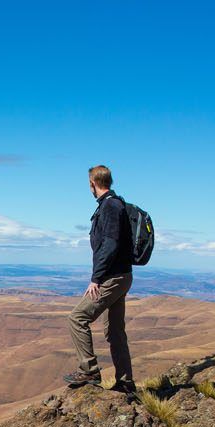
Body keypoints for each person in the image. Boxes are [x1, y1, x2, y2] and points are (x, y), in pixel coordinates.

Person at [64, 164, 135, 395]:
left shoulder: (110, 206)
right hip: (121, 275)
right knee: (114, 331)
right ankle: (125, 382)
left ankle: (90, 370)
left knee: (77, 318)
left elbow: (110, 244)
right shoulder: (115, 204)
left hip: (112, 278)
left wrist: (96, 278)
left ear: (93, 183)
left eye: (89, 184)